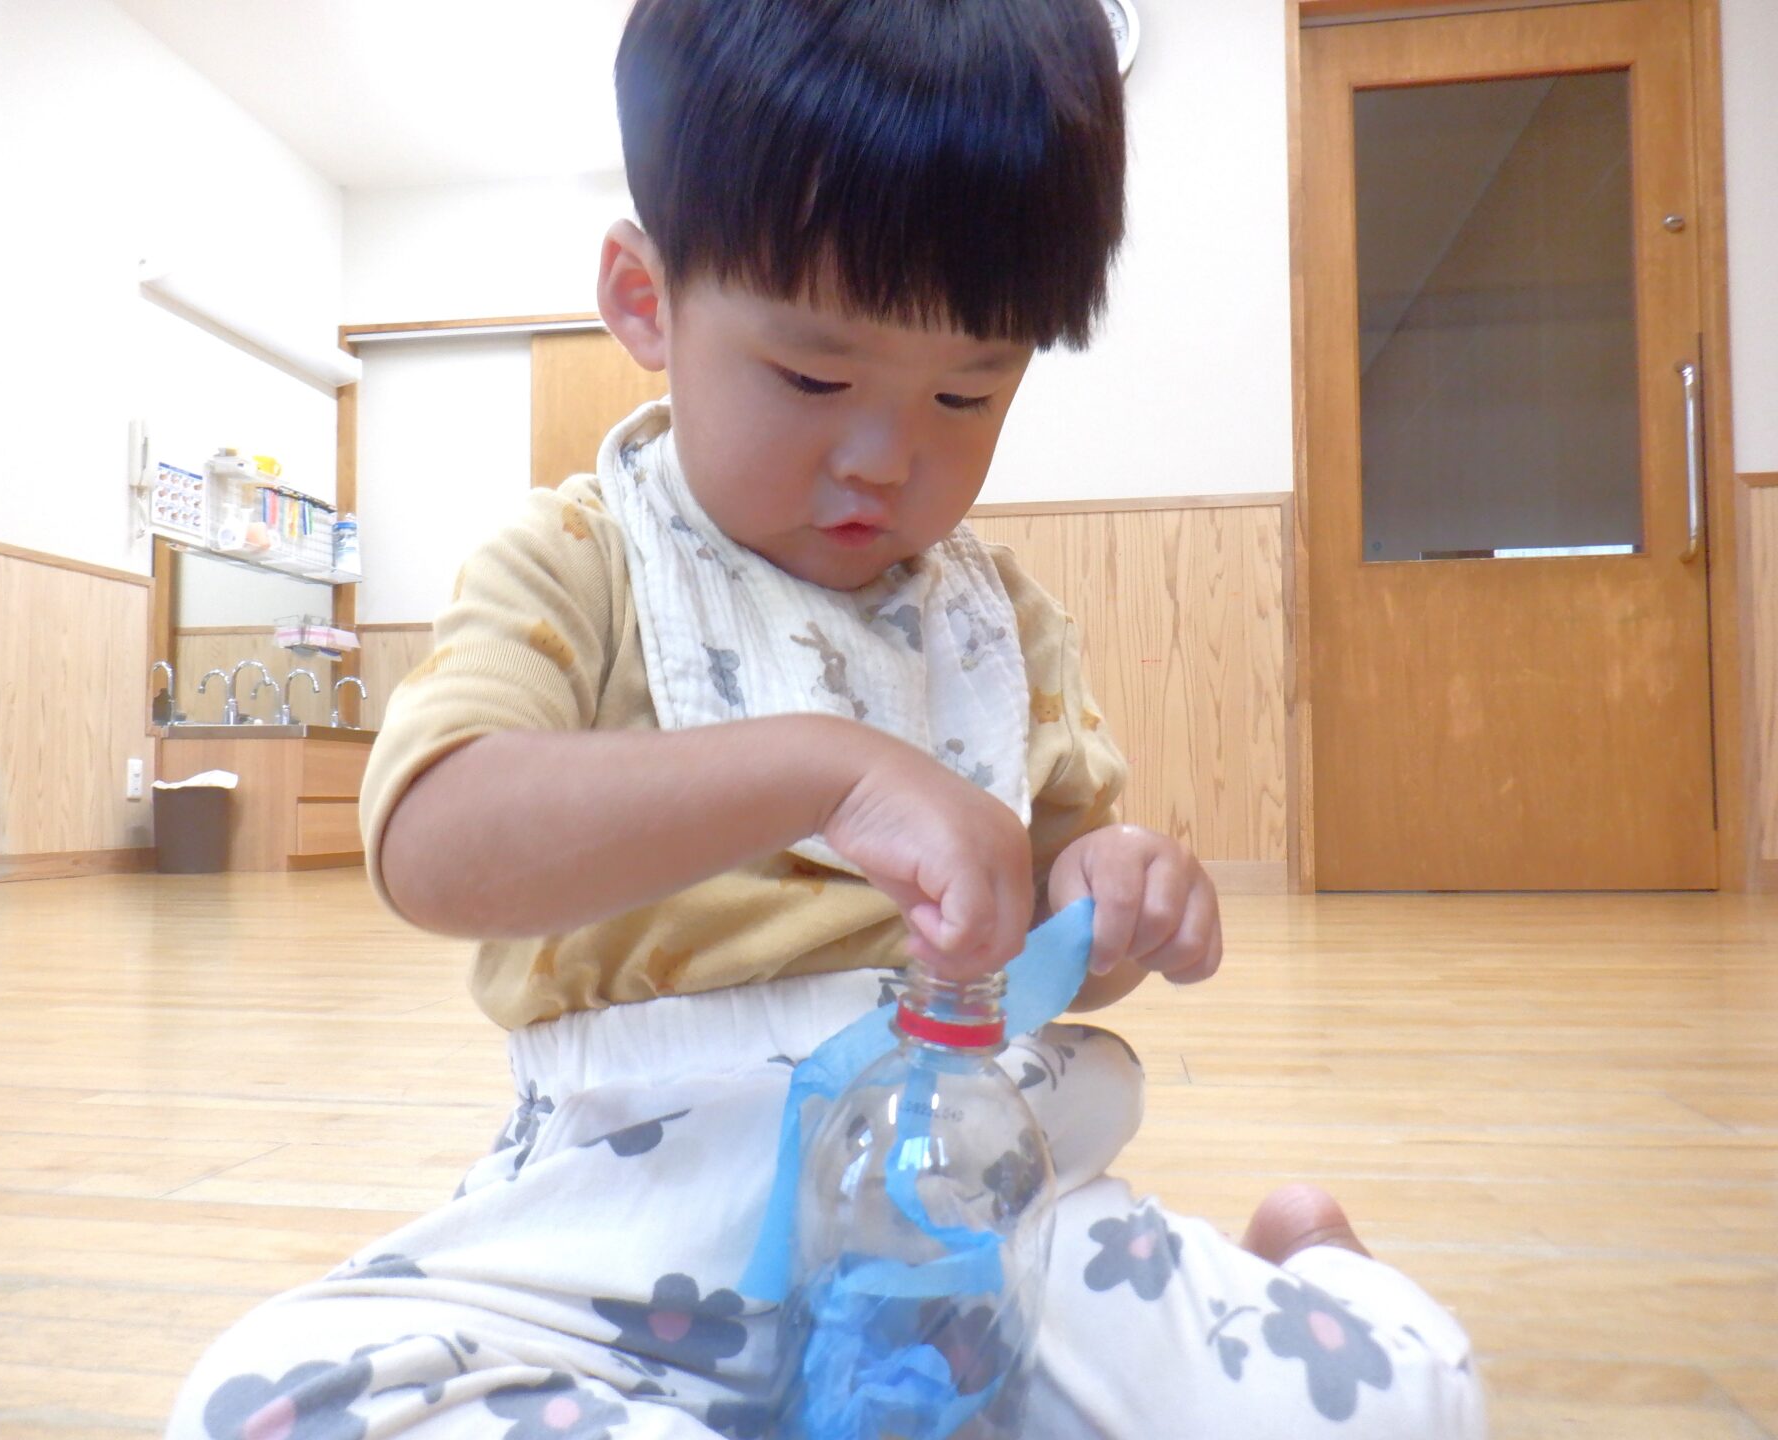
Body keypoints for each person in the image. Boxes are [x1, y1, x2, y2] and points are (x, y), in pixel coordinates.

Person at [166, 1, 1484, 1435]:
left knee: (1397, 1412)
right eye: (812, 376)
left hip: (969, 1212)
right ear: (646, 300)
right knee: (265, 1405)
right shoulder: (577, 564)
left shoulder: (997, 623)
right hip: (616, 1225)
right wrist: (819, 772)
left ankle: (1322, 1269)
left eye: (968, 391)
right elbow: (435, 848)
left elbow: (1047, 928)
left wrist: (1105, 901)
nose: (885, 457)